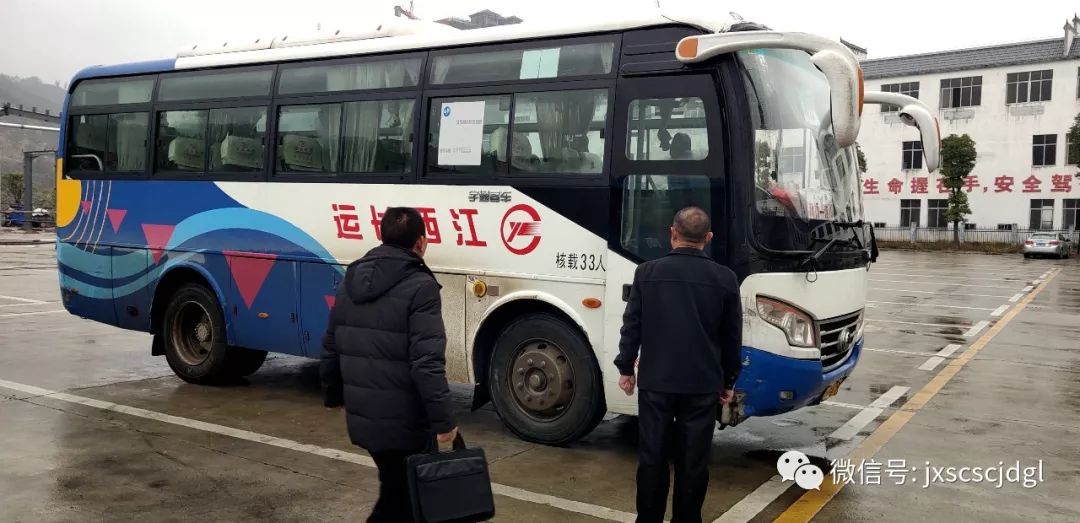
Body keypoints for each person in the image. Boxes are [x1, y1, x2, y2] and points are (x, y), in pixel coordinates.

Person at [321, 206, 458, 523]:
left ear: (381, 236)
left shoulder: (352, 278)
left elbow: (330, 345)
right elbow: (426, 363)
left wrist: (334, 396)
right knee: (402, 501)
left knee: (399, 493)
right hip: (405, 424)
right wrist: (445, 422)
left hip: (364, 417)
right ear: (420, 242)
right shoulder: (421, 286)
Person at [615, 206, 742, 523]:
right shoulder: (725, 279)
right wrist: (728, 382)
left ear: (672, 233)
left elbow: (632, 326)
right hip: (702, 385)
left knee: (652, 457)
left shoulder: (647, 273)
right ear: (708, 238)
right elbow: (731, 337)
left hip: (656, 382)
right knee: (693, 462)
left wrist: (626, 368)